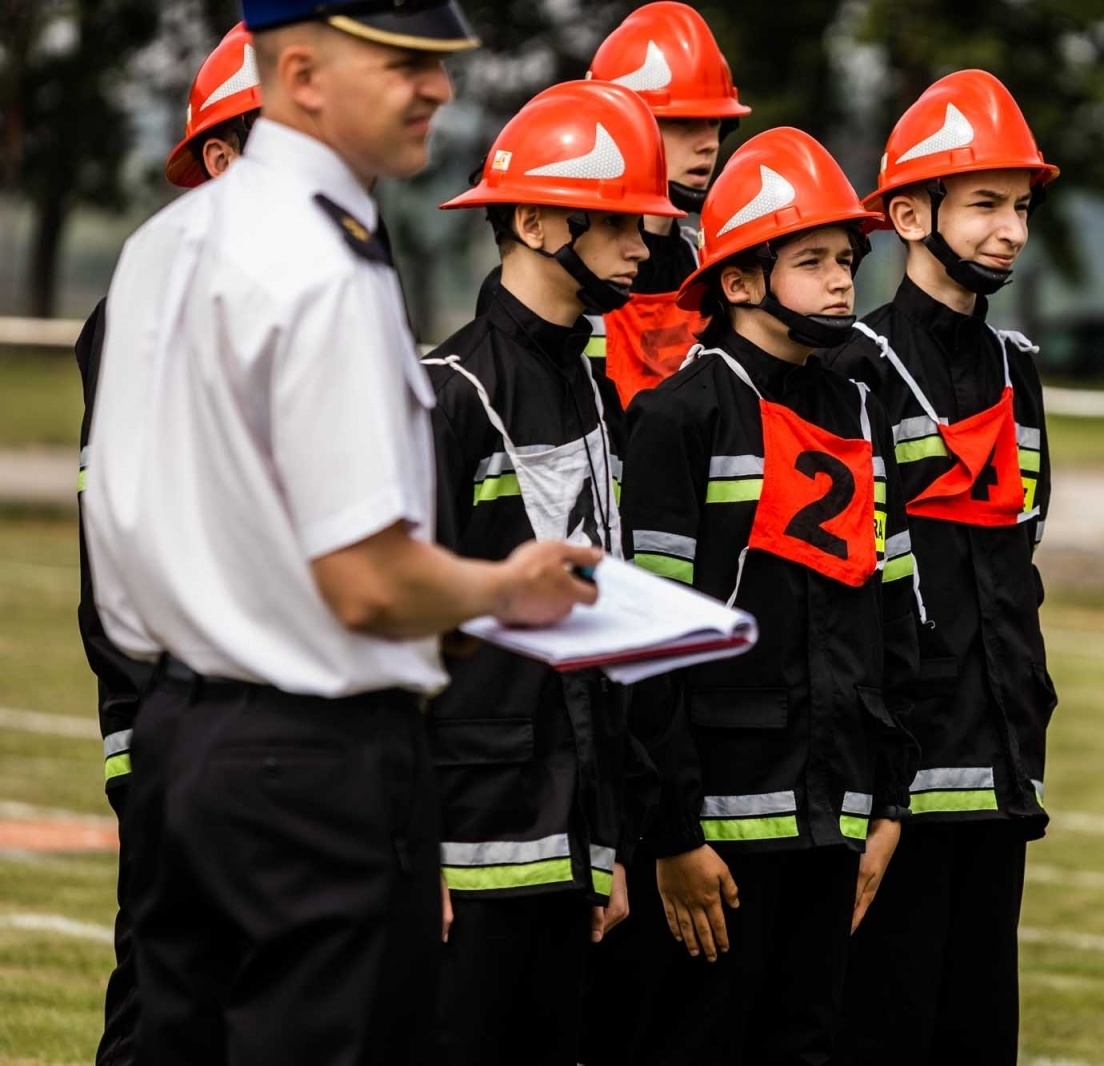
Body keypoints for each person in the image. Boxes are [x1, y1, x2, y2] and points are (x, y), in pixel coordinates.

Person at [80, 2, 601, 1061]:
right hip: (313, 762)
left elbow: (123, 543)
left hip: (182, 740)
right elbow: (366, 581)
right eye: (405, 62)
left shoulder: (163, 243)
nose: (439, 89)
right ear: (305, 73)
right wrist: (506, 590)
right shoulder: (324, 266)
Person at [619, 126, 919, 1066]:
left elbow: (891, 622)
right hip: (715, 831)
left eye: (847, 260)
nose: (841, 281)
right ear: (740, 282)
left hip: (835, 816)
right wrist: (672, 834)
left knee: (807, 1043)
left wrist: (887, 804)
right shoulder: (679, 414)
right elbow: (647, 645)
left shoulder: (863, 407)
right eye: (812, 260)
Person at [423, 79, 680, 1066]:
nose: (642, 245)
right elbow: (394, 638)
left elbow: (592, 638)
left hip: (568, 846)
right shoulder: (449, 394)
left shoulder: (591, 382)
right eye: (618, 221)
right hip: (468, 846)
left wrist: (601, 845)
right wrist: (413, 850)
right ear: (532, 218)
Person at [818, 69, 1060, 1066]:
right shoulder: (848, 367)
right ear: (910, 212)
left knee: (977, 1038)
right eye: (986, 204)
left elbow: (1020, 553)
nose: (1010, 229)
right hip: (894, 784)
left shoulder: (1018, 367)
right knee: (881, 1034)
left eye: (1021, 206)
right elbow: (844, 602)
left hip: (1001, 768)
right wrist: (873, 788)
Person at [74, 22, 260, 1065]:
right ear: (224, 157)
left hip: (279, 732)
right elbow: (125, 542)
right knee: (167, 1011)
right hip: (180, 727)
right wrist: (146, 740)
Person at [584, 1, 750, 406]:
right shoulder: (557, 277)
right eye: (683, 123)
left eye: (716, 124)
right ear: (619, 124)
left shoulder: (712, 272)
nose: (709, 143)